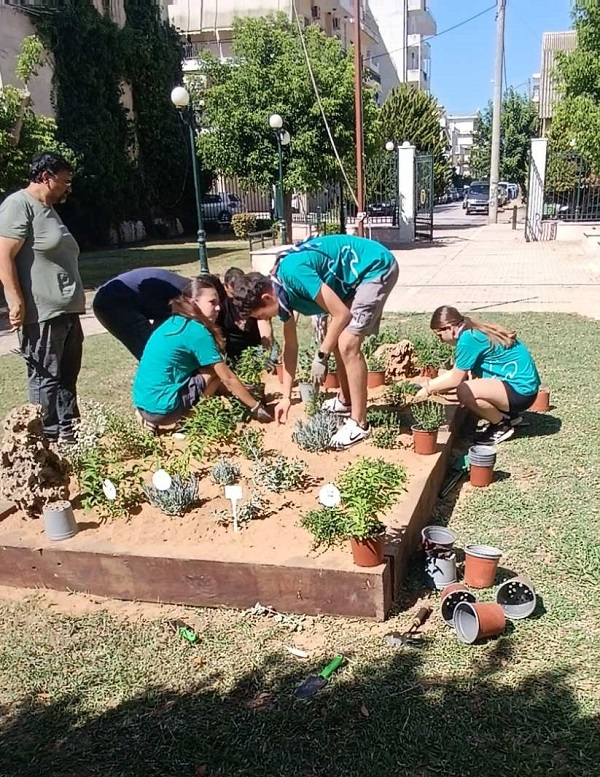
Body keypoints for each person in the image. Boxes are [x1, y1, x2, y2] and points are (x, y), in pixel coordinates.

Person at [231, 234, 399, 449]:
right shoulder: (280, 292)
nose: (264, 321)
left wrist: (321, 356)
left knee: (347, 342)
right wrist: (286, 398)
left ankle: (358, 423)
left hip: (375, 266)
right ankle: (346, 400)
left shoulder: (294, 274)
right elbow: (290, 347)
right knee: (335, 335)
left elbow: (342, 315)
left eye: (261, 316)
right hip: (350, 279)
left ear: (266, 298)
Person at [0, 151, 84, 442]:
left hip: (67, 311)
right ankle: (42, 446)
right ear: (46, 178)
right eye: (65, 181)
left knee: (66, 380)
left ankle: (71, 439)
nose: (68, 187)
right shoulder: (18, 205)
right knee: (45, 381)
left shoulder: (48, 208)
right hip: (42, 314)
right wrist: (15, 300)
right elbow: (3, 256)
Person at [132, 277, 272, 430]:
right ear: (193, 303)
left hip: (143, 404)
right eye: (212, 302)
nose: (218, 308)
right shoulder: (196, 331)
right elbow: (228, 378)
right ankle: (187, 423)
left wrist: (243, 389)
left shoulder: (172, 322)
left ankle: (150, 422)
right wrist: (255, 406)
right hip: (165, 410)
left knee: (205, 372)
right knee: (215, 372)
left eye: (218, 302)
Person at [414, 305, 541, 444]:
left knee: (465, 391)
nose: (441, 341)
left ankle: (501, 425)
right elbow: (455, 372)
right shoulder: (471, 328)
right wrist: (426, 385)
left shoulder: (468, 339)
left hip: (521, 393)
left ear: (449, 327)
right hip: (523, 389)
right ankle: (510, 416)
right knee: (470, 385)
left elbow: (455, 380)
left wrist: (427, 390)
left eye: (440, 336)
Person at [93, 268, 188, 360]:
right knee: (153, 354)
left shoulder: (183, 291)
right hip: (113, 302)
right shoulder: (184, 295)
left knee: (160, 350)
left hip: (120, 297)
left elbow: (163, 324)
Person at [219, 267, 273, 361]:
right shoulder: (221, 306)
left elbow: (264, 322)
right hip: (233, 352)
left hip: (257, 348)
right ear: (226, 287)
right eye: (233, 289)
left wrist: (266, 354)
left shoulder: (251, 299)